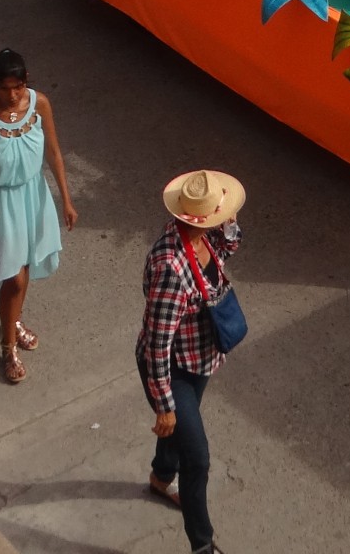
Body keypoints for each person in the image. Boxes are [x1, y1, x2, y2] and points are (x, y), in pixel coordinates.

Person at [137, 167, 244, 554]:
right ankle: (202, 545)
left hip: (198, 359)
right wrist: (165, 405)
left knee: (180, 434)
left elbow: (228, 248)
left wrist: (229, 223)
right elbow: (157, 344)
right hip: (173, 370)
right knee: (197, 459)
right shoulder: (171, 267)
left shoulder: (203, 238)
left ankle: (161, 476)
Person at [0, 48, 75, 387]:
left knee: (24, 267)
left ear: (26, 82)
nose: (11, 95)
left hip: (32, 197)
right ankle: (8, 348)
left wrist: (66, 200)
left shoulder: (40, 105)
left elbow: (53, 152)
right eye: (4, 88)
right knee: (15, 277)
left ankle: (13, 321)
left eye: (18, 87)